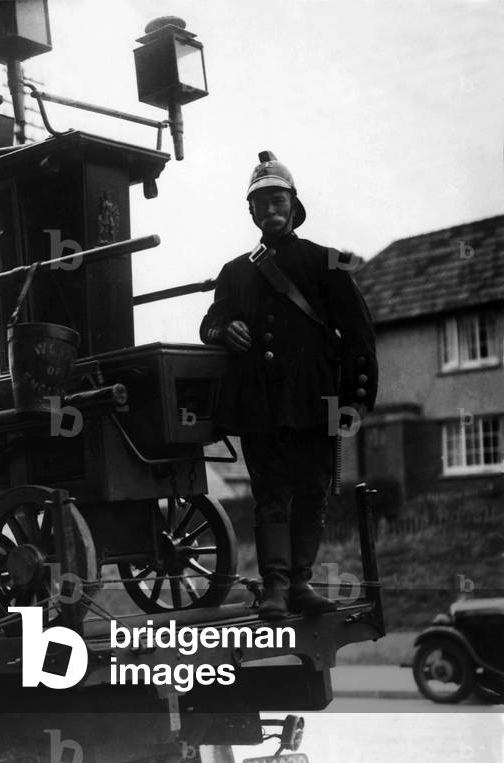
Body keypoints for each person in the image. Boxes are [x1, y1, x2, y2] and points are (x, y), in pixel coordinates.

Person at [199, 151, 378, 620]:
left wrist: (356, 402)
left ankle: (301, 583)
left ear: (293, 205)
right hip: (261, 404)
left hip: (316, 400)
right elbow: (211, 323)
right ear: (252, 213)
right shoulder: (236, 271)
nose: (270, 209)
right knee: (270, 495)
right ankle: (275, 586)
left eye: (278, 199)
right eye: (260, 203)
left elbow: (359, 337)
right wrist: (225, 329)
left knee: (314, 490)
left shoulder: (329, 263)